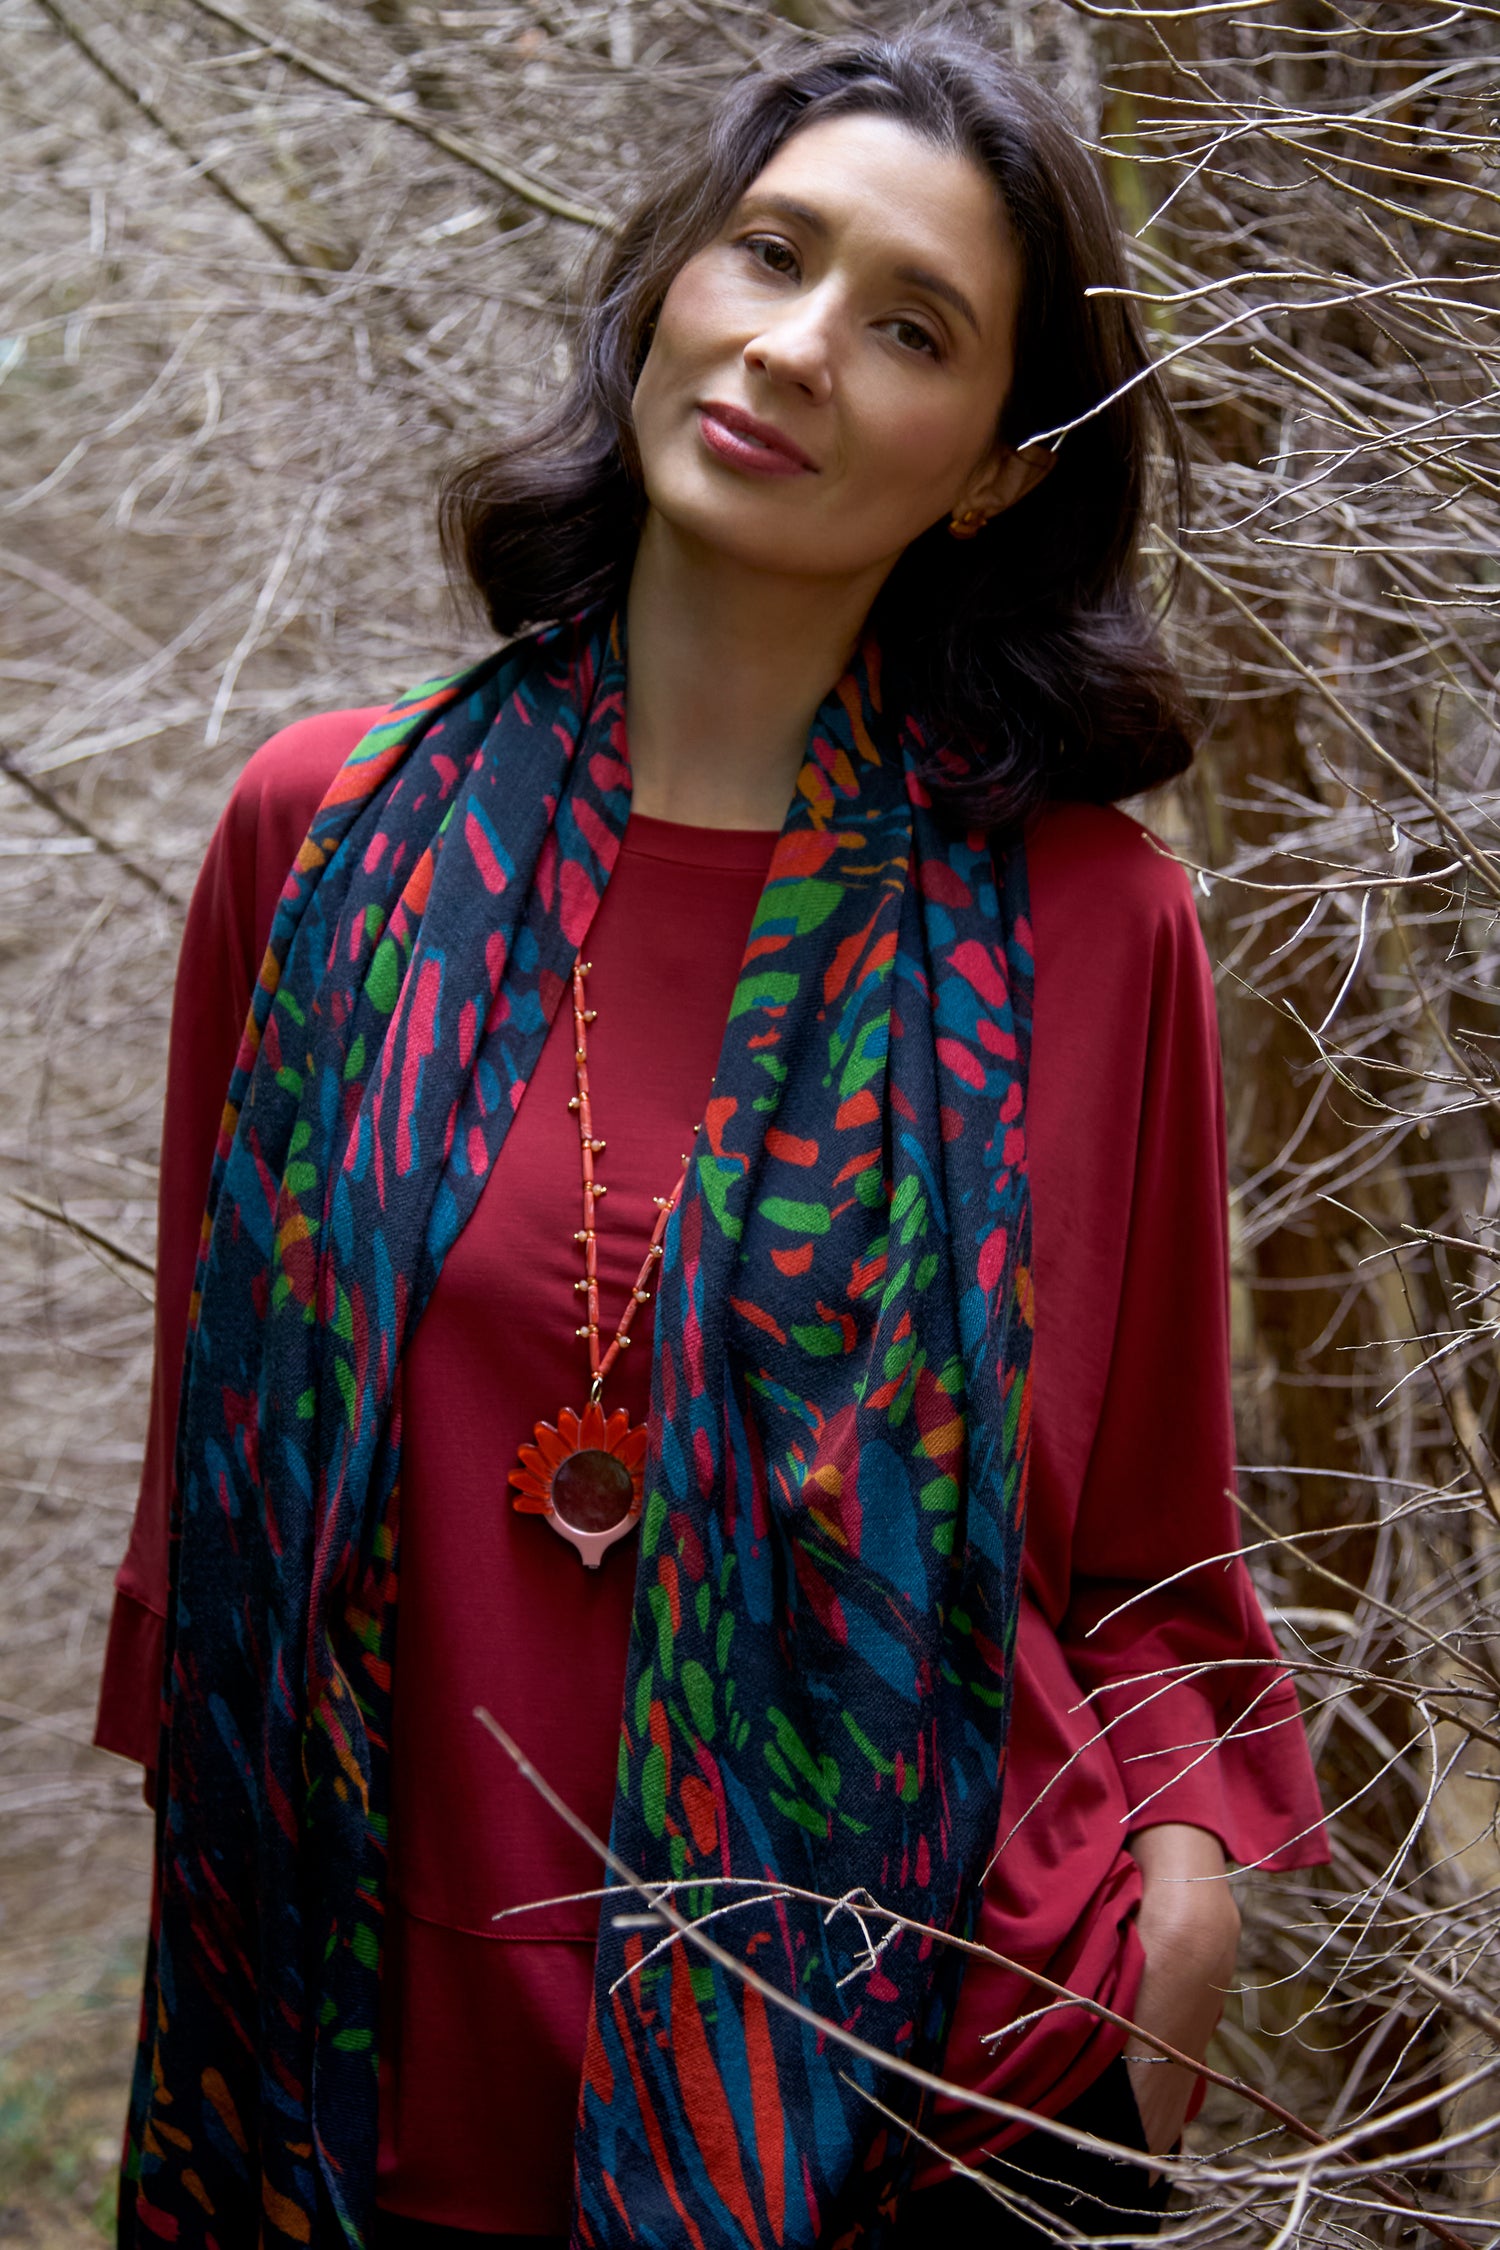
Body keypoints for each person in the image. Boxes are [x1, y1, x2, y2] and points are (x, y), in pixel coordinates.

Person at [95, 28, 1327, 2250]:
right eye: (771, 253)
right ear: (669, 282)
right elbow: (216, 1514)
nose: (795, 346)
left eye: (912, 327)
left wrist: (1175, 1942)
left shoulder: (1098, 932)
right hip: (352, 2076)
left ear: (989, 472)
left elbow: (1150, 1564)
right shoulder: (326, 843)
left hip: (917, 2094)